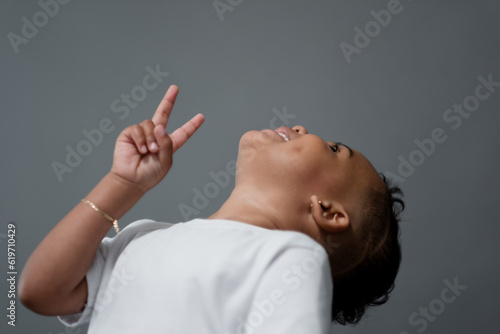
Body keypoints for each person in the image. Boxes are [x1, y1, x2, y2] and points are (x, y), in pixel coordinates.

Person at [19, 85, 404, 333]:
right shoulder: (142, 236)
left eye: (336, 149)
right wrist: (123, 184)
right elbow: (40, 291)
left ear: (327, 211)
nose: (304, 127)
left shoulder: (291, 260)